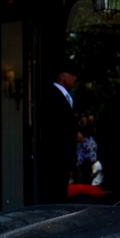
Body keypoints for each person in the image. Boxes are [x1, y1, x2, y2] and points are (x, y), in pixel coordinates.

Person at [38, 65, 81, 204]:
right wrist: (73, 133)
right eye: (72, 74)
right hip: (55, 156)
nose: (75, 78)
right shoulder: (51, 94)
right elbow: (56, 124)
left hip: (64, 157)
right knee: (54, 195)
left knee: (61, 193)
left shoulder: (66, 97)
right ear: (62, 75)